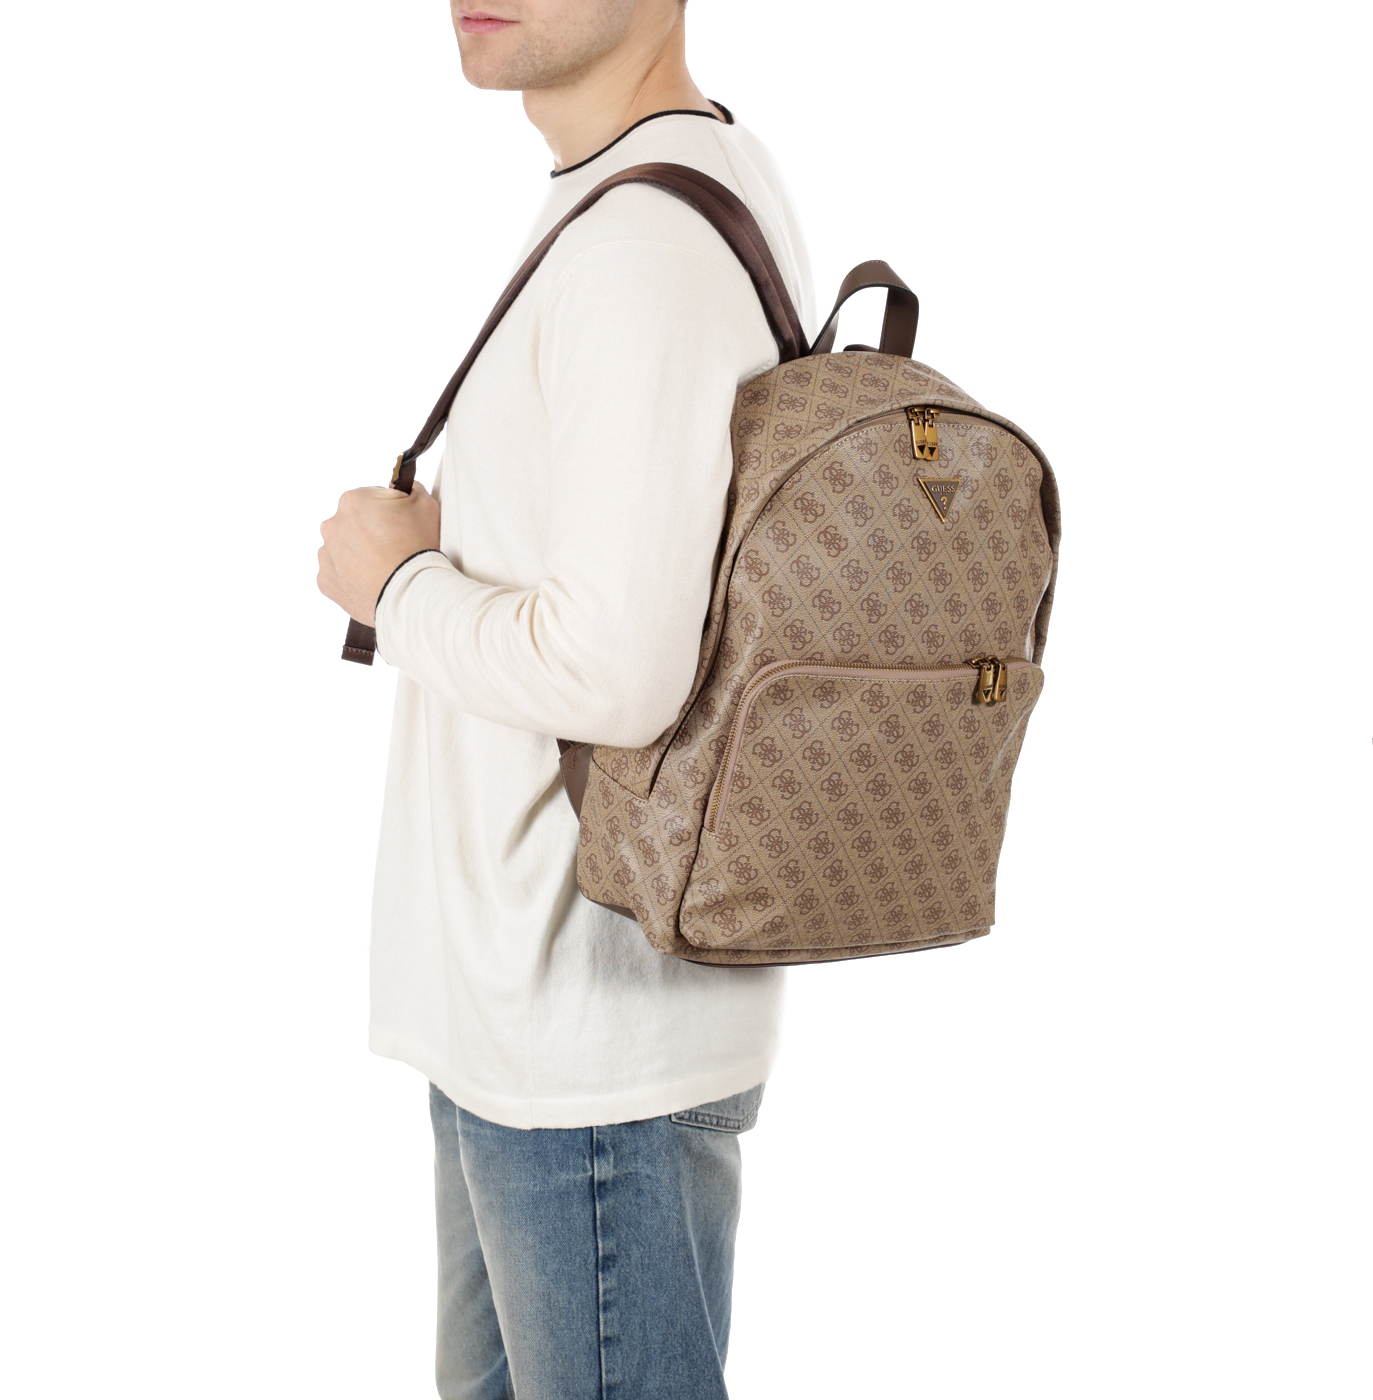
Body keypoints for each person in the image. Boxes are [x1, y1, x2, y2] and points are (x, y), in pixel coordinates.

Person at [317, 1, 815, 1394]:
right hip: (527, 1022)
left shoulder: (641, 250)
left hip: (586, 1048)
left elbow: (618, 671)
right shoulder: (642, 188)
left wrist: (393, 588)